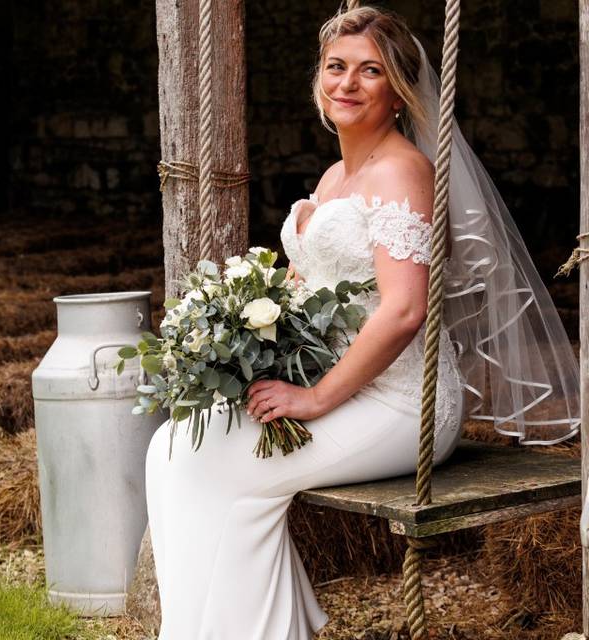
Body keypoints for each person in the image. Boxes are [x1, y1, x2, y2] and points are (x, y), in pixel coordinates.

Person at [144, 6, 580, 639]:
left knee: (209, 467)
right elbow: (305, 288)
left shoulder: (403, 172)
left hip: (402, 405)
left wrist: (315, 396)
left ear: (398, 90)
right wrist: (237, 337)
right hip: (347, 389)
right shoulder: (334, 176)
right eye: (336, 67)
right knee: (174, 446)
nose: (347, 83)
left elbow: (405, 312)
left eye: (369, 71)